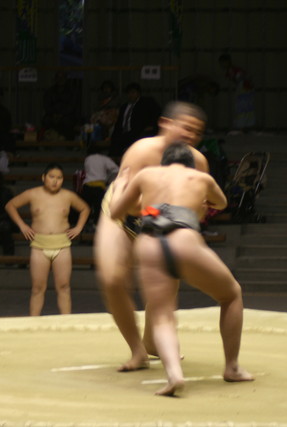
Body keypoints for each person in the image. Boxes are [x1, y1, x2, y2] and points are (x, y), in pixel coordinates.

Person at [109, 143, 253, 396]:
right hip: (183, 239)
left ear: (164, 162)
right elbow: (221, 203)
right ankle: (232, 367)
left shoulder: (146, 175)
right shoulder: (201, 177)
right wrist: (200, 202)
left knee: (162, 315)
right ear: (190, 164)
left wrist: (121, 186)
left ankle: (174, 374)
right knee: (231, 295)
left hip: (149, 242)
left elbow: (116, 212)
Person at [94, 101, 209, 372]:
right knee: (112, 279)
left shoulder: (198, 162)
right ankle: (137, 351)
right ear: (165, 123)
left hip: (165, 220)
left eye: (197, 132)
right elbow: (128, 204)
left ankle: (152, 342)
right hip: (121, 213)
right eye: (186, 128)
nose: (191, 135)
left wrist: (190, 215)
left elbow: (200, 206)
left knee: (166, 281)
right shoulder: (142, 151)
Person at [5, 163, 90, 316]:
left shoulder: (68, 195)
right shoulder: (32, 193)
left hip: (62, 245)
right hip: (39, 245)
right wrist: (22, 226)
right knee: (37, 288)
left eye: (59, 178)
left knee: (64, 287)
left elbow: (85, 208)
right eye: (52, 177)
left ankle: (66, 324)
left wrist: (78, 227)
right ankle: (33, 323)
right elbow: (10, 205)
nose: (55, 181)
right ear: (44, 177)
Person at [109, 83, 161, 157]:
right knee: (115, 142)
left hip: (137, 132)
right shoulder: (124, 106)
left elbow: (156, 113)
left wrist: (152, 125)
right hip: (123, 132)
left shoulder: (145, 103)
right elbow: (119, 122)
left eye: (133, 92)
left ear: (138, 93)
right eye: (129, 93)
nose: (131, 95)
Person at [82, 144, 119, 227]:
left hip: (87, 186)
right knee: (98, 208)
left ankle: (84, 226)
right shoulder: (104, 159)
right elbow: (116, 170)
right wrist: (109, 179)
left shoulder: (87, 159)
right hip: (99, 187)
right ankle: (96, 226)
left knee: (86, 207)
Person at [218, 53, 255, 133]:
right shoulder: (231, 71)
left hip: (244, 90)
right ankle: (245, 127)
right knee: (244, 108)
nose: (222, 65)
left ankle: (243, 127)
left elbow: (243, 78)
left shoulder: (233, 70)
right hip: (244, 90)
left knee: (243, 108)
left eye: (223, 63)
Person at [41, 72, 81, 141]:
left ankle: (67, 141)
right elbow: (47, 105)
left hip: (67, 115)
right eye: (58, 78)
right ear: (55, 79)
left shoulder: (72, 91)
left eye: (62, 78)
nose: (60, 80)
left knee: (67, 122)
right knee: (46, 120)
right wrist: (54, 114)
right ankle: (49, 140)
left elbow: (72, 106)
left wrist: (62, 114)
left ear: (66, 79)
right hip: (52, 115)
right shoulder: (49, 91)